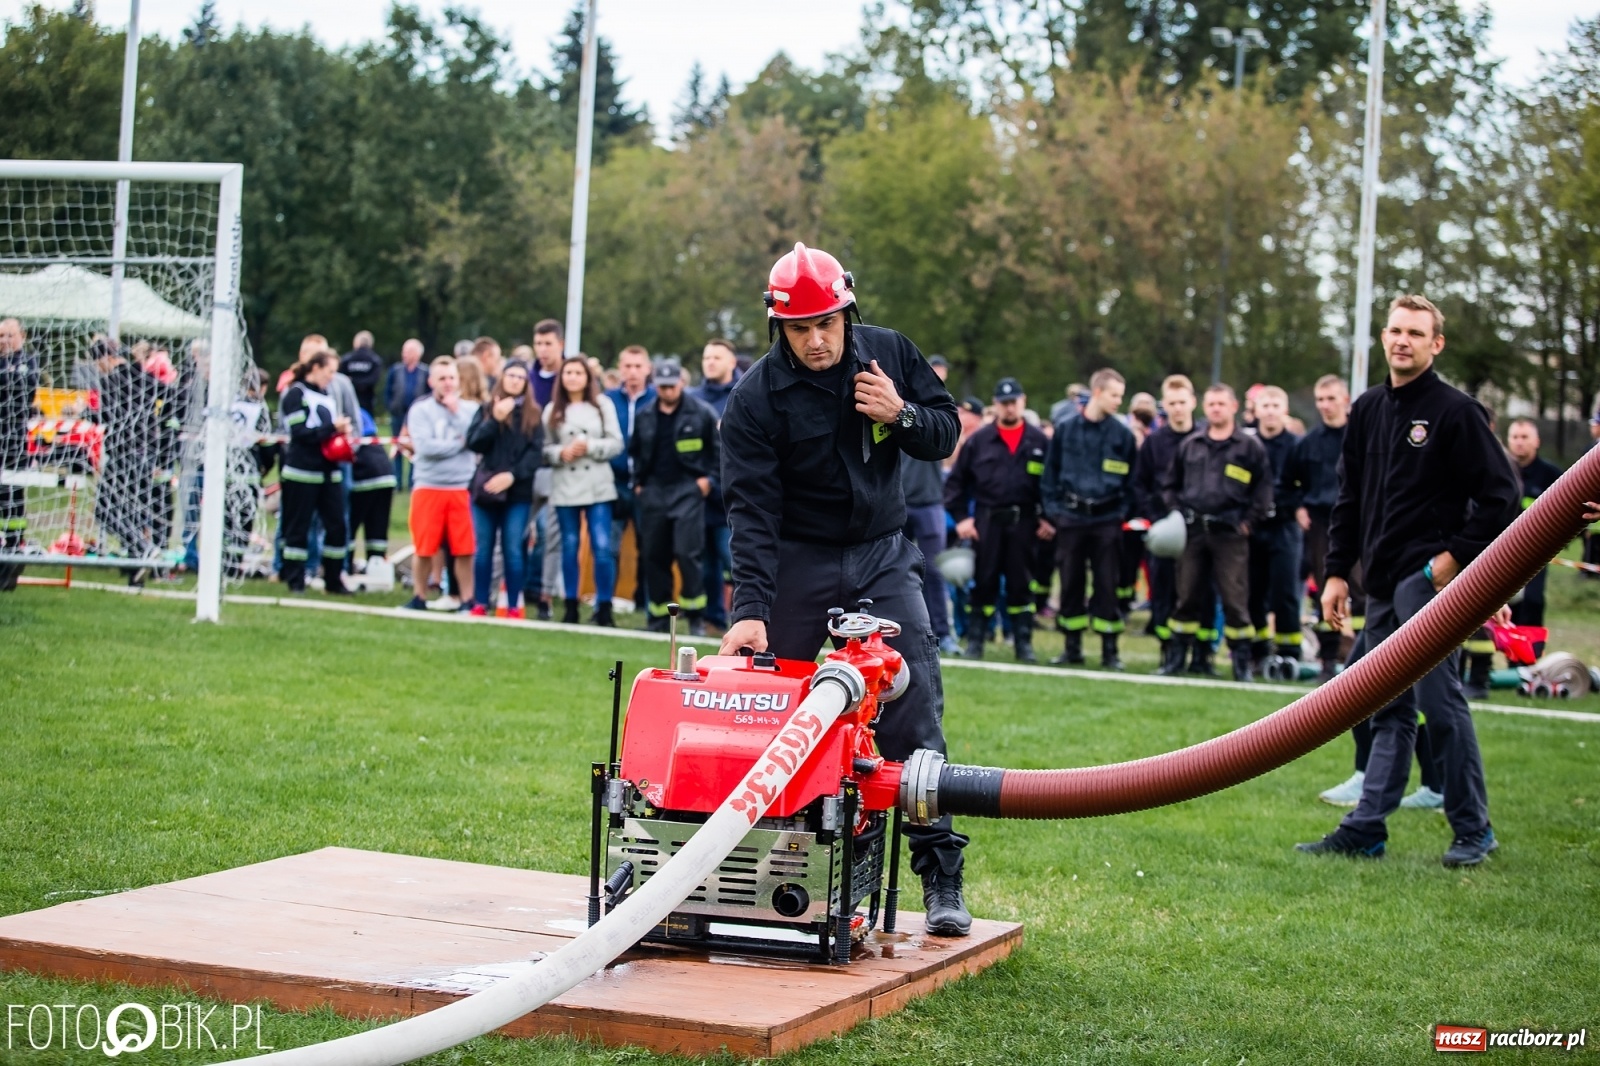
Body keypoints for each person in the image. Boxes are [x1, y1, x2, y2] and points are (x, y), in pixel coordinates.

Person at [718, 242, 971, 937]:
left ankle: (941, 874)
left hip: (882, 555)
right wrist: (751, 610)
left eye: (827, 323)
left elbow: (945, 432)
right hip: (798, 562)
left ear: (848, 314)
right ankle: (769, 875)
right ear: (778, 326)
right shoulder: (754, 400)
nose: (816, 340)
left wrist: (901, 413)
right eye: (800, 328)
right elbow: (751, 511)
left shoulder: (889, 352)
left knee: (911, 713)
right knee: (780, 717)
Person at [1298, 295, 1523, 867]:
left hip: (1427, 585)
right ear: (1383, 338)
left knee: (1441, 706)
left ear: (1435, 344)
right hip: (1378, 585)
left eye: (1416, 333)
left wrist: (1453, 559)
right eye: (1396, 331)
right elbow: (1349, 499)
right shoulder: (1368, 409)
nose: (1403, 340)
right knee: (1385, 709)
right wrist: (1335, 574)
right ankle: (1367, 828)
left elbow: (1502, 497)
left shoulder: (1456, 412)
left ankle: (1474, 829)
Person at [1163, 383, 1272, 682]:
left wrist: (1249, 520)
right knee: (1186, 595)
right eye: (1211, 404)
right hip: (1194, 532)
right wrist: (1177, 514)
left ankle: (1241, 663)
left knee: (1234, 599)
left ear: (1234, 407)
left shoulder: (1249, 447)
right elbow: (1170, 485)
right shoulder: (1191, 444)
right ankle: (1177, 659)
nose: (1216, 409)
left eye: (1221, 404)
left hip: (1230, 534)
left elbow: (1263, 490)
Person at [945, 377, 1051, 663]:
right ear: (996, 404)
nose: (1009, 408)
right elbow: (955, 485)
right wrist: (962, 520)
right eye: (1004, 403)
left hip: (1024, 522)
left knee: (1021, 584)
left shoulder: (1039, 441)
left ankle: (1023, 643)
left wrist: (1048, 518)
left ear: (1023, 401)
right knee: (983, 582)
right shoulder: (979, 441)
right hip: (986, 523)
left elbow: (1051, 485)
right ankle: (976, 641)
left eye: (1013, 402)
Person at [1041, 369, 1136, 670]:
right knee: (1071, 583)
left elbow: (1132, 482)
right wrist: (1055, 512)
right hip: (1071, 518)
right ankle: (1072, 647)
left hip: (1107, 519)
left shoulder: (1123, 435)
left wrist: (1121, 513)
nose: (1119, 401)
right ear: (1097, 392)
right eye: (1114, 395)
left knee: (1108, 584)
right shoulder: (1066, 430)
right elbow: (1049, 475)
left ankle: (1110, 651)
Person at [630, 357, 719, 634]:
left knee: (687, 553)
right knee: (654, 554)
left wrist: (708, 482)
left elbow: (718, 452)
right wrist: (638, 484)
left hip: (687, 489)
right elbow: (635, 452)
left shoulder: (701, 412)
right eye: (662, 386)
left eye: (672, 385)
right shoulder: (645, 414)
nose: (667, 391)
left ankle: (695, 616)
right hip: (653, 490)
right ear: (655, 385)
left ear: (681, 382)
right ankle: (658, 617)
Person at [1135, 375, 1214, 675]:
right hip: (1167, 531)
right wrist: (1157, 520)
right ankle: (1169, 653)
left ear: (1193, 402)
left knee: (1203, 594)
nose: (1178, 408)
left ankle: (1202, 656)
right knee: (1164, 592)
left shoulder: (1208, 439)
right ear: (1164, 406)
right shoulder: (1154, 443)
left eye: (1182, 402)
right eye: (1172, 403)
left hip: (1202, 531)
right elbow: (1140, 485)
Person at [544, 356, 623, 625]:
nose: (573, 377)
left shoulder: (602, 405)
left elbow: (616, 443)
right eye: (568, 372)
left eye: (579, 372)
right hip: (566, 484)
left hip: (597, 484)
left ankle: (604, 605)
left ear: (588, 377)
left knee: (601, 545)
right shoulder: (553, 410)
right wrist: (561, 453)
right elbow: (544, 448)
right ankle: (570, 604)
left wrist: (590, 446)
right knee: (569, 544)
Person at [1295, 375, 1361, 684]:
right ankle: (1327, 663)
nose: (1325, 405)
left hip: (1358, 523)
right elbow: (1288, 482)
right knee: (1326, 593)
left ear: (1345, 400)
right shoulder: (1309, 442)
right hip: (1322, 526)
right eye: (1320, 399)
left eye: (1331, 398)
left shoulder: (1361, 437)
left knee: (1362, 591)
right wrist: (1298, 507)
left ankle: (1364, 662)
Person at [466, 361, 543, 618]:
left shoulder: (533, 414)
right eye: (511, 375)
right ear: (502, 378)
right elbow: (474, 443)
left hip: (517, 492)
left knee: (513, 548)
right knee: (484, 548)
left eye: (521, 377)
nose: (515, 380)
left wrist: (513, 476)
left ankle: (513, 606)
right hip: (486, 490)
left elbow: (536, 454)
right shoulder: (486, 409)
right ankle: (480, 602)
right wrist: (494, 420)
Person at [403, 356, 479, 611]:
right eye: (442, 378)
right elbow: (425, 447)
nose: (447, 383)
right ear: (431, 381)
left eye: (451, 378)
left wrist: (456, 414)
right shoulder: (420, 410)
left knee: (464, 548)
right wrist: (459, 444)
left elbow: (475, 439)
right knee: (424, 547)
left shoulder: (470, 410)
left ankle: (467, 600)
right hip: (428, 485)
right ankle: (419, 596)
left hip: (462, 487)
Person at [278, 350, 353, 594]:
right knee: (298, 527)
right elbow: (300, 433)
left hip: (329, 472)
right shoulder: (296, 393)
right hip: (302, 471)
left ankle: (333, 579)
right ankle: (295, 579)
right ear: (316, 368)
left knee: (337, 526)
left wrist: (340, 434)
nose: (332, 377)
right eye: (330, 371)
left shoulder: (326, 395)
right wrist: (332, 428)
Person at [1245, 385, 1304, 677]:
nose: (1269, 412)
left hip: (1285, 526)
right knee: (1253, 592)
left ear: (1285, 411)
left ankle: (1289, 654)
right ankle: (1257, 652)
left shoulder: (1298, 446)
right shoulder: (1246, 445)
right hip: (1253, 527)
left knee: (1286, 592)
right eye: (1265, 406)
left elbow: (1307, 484)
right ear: (1256, 410)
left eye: (1275, 406)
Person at [690, 338, 742, 632]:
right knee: (705, 562)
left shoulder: (743, 394)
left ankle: (746, 618)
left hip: (731, 493)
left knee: (733, 560)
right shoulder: (692, 398)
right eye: (706, 357)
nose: (710, 362)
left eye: (717, 357)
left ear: (731, 362)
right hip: (699, 493)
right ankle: (713, 618)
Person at [604, 345, 656, 613]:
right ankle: (605, 601)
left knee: (648, 546)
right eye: (627, 366)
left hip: (647, 484)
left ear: (647, 369)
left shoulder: (658, 398)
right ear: (620, 368)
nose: (633, 372)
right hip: (613, 482)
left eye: (638, 366)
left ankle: (645, 604)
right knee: (609, 546)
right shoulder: (608, 400)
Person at [1505, 418, 1562, 632]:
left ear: (1536, 441)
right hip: (1500, 552)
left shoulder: (1552, 475)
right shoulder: (1499, 472)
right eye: (1515, 437)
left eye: (1524, 437)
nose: (1519, 442)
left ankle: (1530, 651)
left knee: (1532, 602)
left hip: (1535, 553)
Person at [0, 318, 41, 589]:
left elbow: (22, 390)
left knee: (12, 502)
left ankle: (13, 558)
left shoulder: (28, 362)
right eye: (1, 336)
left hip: (12, 445)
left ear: (21, 336)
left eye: (9, 335)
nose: (4, 341)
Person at [349, 409, 396, 567]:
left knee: (350, 522)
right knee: (378, 525)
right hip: (386, 472)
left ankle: (346, 565)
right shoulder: (362, 412)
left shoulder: (344, 412)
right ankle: (377, 565)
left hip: (364, 472)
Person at [384, 339, 428, 490]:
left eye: (408, 351)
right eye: (404, 351)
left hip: (417, 418)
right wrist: (391, 406)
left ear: (417, 354)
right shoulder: (395, 370)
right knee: (397, 447)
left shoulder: (425, 372)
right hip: (398, 414)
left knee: (414, 448)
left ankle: (412, 481)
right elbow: (388, 391)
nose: (404, 354)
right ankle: (396, 481)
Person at [341, 331, 384, 414]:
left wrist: (352, 381)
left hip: (348, 398)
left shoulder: (347, 359)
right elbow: (375, 379)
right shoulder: (375, 360)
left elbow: (341, 377)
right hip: (368, 399)